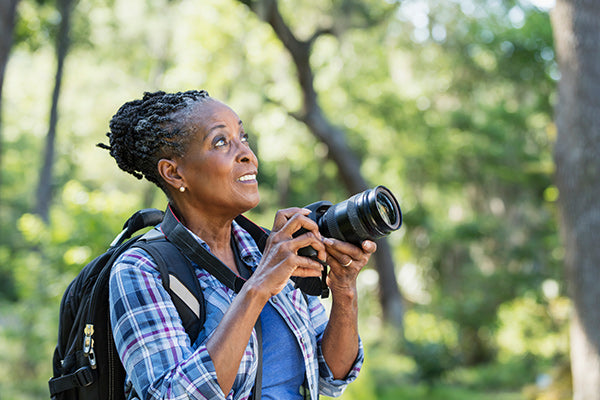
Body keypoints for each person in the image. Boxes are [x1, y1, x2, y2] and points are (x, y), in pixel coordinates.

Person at [100, 90, 377, 399]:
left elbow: (332, 377)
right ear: (174, 171)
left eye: (243, 138)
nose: (247, 155)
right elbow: (172, 395)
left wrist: (344, 289)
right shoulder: (142, 268)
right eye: (221, 142)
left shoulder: (270, 248)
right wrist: (257, 288)